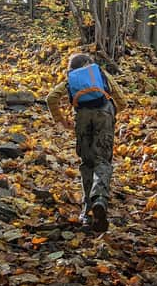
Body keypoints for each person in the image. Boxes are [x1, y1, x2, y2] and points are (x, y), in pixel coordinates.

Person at [46, 53, 127, 232]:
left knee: (87, 162)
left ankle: (87, 211)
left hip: (81, 118)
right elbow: (122, 101)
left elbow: (51, 98)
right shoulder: (100, 74)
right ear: (88, 64)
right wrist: (112, 114)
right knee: (102, 160)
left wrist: (61, 120)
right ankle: (100, 199)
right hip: (104, 115)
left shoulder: (71, 80)